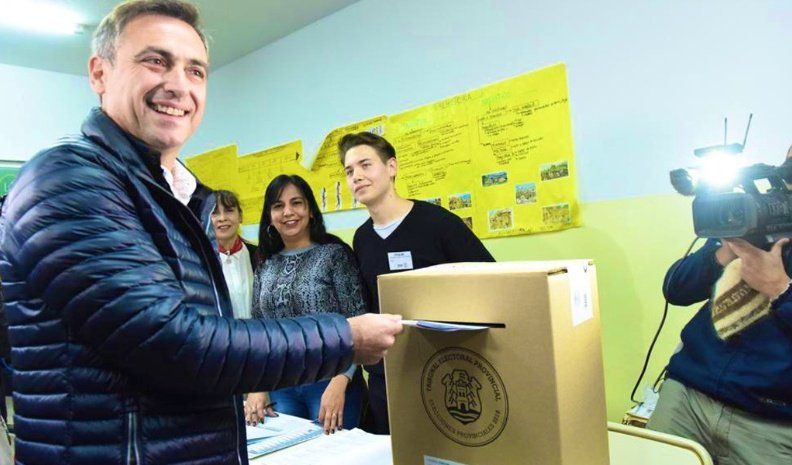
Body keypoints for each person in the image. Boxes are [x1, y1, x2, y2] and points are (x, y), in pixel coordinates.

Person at [0, 2, 401, 464]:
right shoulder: (70, 181)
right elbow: (174, 345)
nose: (179, 85)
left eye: (196, 71)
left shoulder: (178, 198)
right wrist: (345, 338)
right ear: (100, 73)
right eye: (156, 61)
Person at [338, 131, 495, 434]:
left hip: (446, 369)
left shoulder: (438, 223)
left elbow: (490, 281)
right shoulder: (362, 238)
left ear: (391, 167)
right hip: (388, 374)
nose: (356, 176)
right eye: (349, 171)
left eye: (365, 165)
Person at [648, 146, 792, 465]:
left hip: (771, 425)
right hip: (688, 394)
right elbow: (676, 289)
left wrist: (780, 290)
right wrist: (724, 251)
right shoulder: (752, 217)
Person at [245, 175, 367, 434]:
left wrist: (340, 382)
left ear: (310, 210)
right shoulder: (265, 264)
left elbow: (356, 321)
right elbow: (259, 329)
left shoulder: (334, 255)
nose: (288, 212)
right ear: (269, 216)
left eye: (296, 203)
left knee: (333, 453)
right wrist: (257, 386)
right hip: (281, 385)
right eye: (278, 206)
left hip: (330, 382)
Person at [211, 190, 257, 319]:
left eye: (229, 211)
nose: (222, 218)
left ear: (240, 216)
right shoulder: (200, 263)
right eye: (214, 213)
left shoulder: (261, 257)